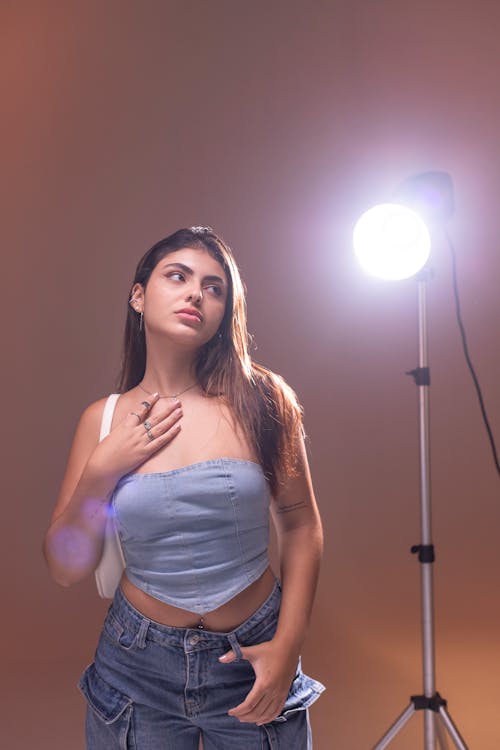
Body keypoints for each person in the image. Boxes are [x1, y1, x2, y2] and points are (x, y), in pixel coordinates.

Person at [43, 226, 325, 749]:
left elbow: (301, 524)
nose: (197, 293)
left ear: (224, 313)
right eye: (178, 276)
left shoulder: (263, 400)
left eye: (215, 287)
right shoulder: (102, 420)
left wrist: (288, 645)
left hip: (252, 656)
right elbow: (65, 569)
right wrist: (102, 471)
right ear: (138, 294)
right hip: (135, 667)